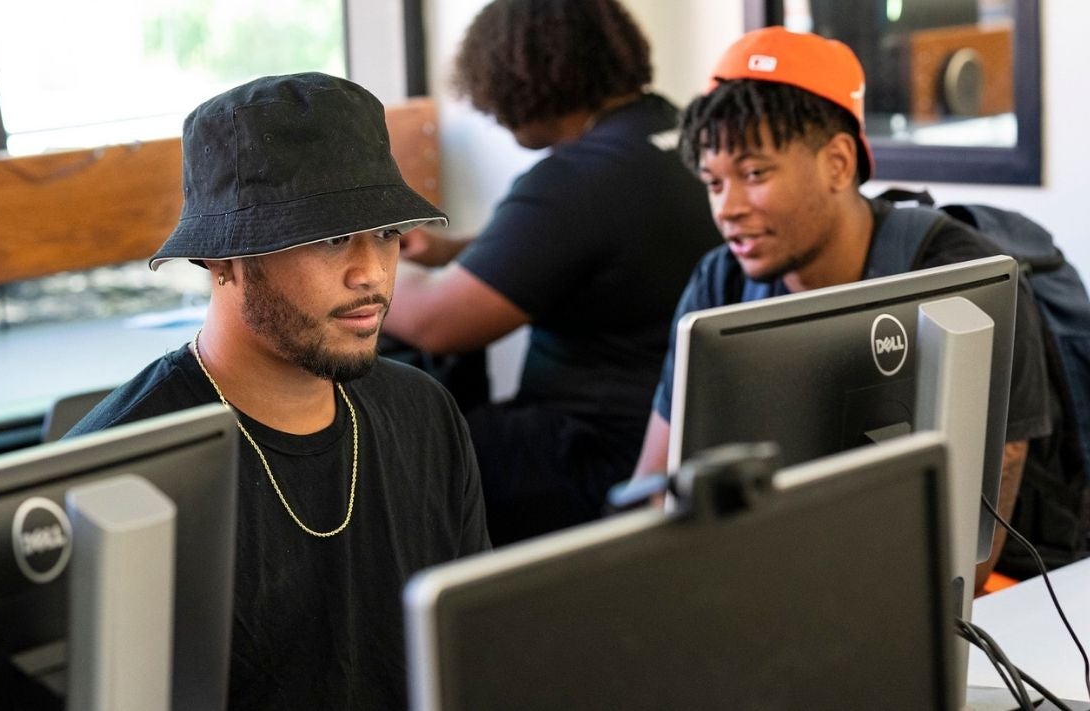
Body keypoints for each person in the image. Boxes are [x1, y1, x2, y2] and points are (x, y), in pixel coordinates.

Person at [66, 73, 490, 710]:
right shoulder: (124, 473)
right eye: (325, 238)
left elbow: (469, 654)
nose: (370, 272)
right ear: (222, 260)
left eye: (384, 233)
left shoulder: (423, 411)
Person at [632, 26, 1058, 590]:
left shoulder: (958, 274)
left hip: (972, 591)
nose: (727, 208)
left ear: (837, 162)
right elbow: (656, 482)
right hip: (776, 574)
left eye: (755, 173)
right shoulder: (720, 282)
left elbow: (974, 552)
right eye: (714, 182)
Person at [382, 0, 719, 546]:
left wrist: (341, 264)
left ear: (526, 74)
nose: (488, 106)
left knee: (398, 458)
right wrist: (460, 252)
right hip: (677, 434)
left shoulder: (575, 180)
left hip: (589, 453)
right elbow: (603, 249)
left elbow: (436, 323)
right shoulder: (674, 132)